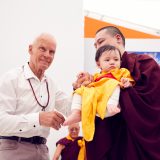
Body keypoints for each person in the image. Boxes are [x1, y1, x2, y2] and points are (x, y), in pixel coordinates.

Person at [73, 26, 160, 160]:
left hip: (135, 144)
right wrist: (86, 90)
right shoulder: (98, 77)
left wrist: (122, 90)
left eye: (100, 42)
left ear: (118, 38)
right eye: (95, 45)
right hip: (108, 142)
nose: (97, 47)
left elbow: (153, 102)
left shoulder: (145, 64)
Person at [0, 33, 71, 160]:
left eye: (52, 52)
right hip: (13, 149)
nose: (47, 55)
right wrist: (38, 119)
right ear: (30, 49)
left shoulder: (52, 84)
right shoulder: (11, 78)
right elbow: (1, 122)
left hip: (42, 151)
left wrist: (81, 89)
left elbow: (70, 109)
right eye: (42, 49)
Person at [64, 45, 134, 142]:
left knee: (115, 83)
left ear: (120, 62)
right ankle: (76, 112)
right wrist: (83, 78)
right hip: (97, 107)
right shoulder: (97, 76)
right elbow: (89, 82)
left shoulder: (121, 72)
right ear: (99, 64)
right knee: (80, 90)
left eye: (116, 59)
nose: (112, 62)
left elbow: (129, 80)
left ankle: (112, 105)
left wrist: (127, 82)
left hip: (110, 107)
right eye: (107, 60)